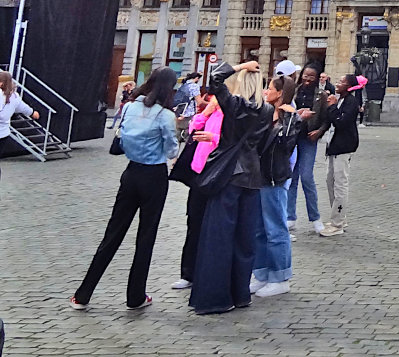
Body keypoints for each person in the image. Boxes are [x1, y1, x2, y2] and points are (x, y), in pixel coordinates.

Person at [71, 68, 179, 311]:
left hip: (131, 173)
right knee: (146, 237)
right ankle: (135, 296)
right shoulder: (165, 116)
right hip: (154, 176)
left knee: (113, 233)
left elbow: (122, 137)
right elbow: (172, 150)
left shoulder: (130, 107)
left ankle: (83, 294)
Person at [189, 60, 272, 315]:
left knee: (218, 236)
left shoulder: (234, 105)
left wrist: (240, 66)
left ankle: (215, 297)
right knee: (244, 238)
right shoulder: (267, 110)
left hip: (229, 175)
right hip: (252, 176)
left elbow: (215, 78)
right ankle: (240, 294)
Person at [251, 73, 304, 298]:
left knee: (275, 229)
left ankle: (281, 276)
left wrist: (290, 119)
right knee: (260, 229)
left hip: (275, 177)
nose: (266, 91)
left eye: (269, 88)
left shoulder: (289, 117)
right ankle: (262, 273)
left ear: (280, 93)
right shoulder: (266, 114)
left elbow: (286, 145)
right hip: (260, 176)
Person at [172, 93, 222, 291]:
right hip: (198, 172)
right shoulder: (213, 112)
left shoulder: (233, 112)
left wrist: (214, 138)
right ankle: (188, 273)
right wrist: (206, 112)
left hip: (218, 172)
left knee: (214, 224)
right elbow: (193, 131)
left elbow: (235, 141)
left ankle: (210, 271)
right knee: (194, 222)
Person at [318, 72, 362, 236]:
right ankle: (337, 216)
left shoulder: (351, 102)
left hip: (344, 147)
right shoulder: (340, 100)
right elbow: (329, 120)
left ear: (349, 86)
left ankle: (337, 224)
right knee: (330, 181)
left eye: (342, 81)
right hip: (333, 146)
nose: (338, 83)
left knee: (340, 184)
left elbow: (341, 122)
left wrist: (332, 107)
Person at [288, 63, 328, 234]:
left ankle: (315, 217)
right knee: (291, 177)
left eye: (311, 76)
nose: (307, 79)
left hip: (308, 139)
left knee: (306, 176)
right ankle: (290, 217)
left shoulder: (321, 95)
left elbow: (327, 119)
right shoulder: (294, 91)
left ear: (317, 78)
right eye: (305, 75)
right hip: (292, 137)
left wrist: (319, 131)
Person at [0, 70, 39, 168]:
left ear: (1, 83)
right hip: (3, 135)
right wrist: (33, 113)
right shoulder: (14, 97)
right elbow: (25, 108)